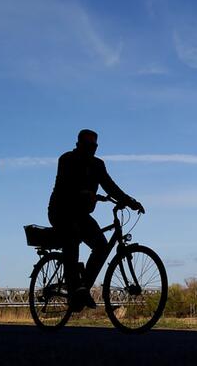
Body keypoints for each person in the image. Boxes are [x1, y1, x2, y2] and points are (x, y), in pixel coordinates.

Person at [48, 129, 144, 311]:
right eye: (88, 145)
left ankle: (83, 288)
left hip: (81, 214)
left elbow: (110, 185)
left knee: (101, 245)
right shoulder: (66, 159)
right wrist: (83, 193)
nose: (91, 149)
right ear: (78, 144)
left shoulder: (98, 165)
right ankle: (75, 287)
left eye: (94, 145)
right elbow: (63, 185)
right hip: (60, 210)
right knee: (73, 236)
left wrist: (129, 201)